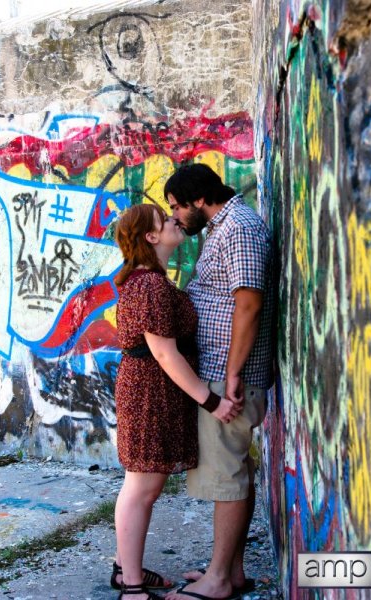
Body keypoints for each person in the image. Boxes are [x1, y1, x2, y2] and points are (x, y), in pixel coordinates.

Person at [111, 203, 241, 600]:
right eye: (166, 221)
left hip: (155, 392)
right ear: (151, 237)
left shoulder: (152, 281)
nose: (174, 221)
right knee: (142, 488)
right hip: (149, 394)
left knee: (145, 486)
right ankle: (131, 585)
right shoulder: (149, 285)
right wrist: (212, 401)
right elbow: (165, 354)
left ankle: (125, 568)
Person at [163, 164, 274, 600]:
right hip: (225, 370)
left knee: (226, 475)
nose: (176, 216)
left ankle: (220, 580)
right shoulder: (225, 227)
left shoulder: (240, 229)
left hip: (231, 377)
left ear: (197, 199)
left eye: (176, 206)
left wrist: (230, 374)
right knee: (235, 473)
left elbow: (248, 304)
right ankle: (230, 570)